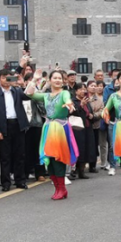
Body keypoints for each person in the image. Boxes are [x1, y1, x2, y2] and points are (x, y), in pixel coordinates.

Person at [27, 70, 77, 200]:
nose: (57, 80)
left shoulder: (64, 93)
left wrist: (69, 104)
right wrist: (34, 79)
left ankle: (62, 189)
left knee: (58, 158)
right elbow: (28, 93)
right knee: (49, 159)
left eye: (60, 78)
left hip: (60, 129)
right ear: (50, 80)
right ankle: (58, 189)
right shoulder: (46, 95)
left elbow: (67, 99)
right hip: (48, 128)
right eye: (55, 78)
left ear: (63, 81)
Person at [0, 71, 30, 192]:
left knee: (20, 155)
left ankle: (20, 180)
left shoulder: (17, 91)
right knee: (5, 157)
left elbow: (28, 96)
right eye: (3, 78)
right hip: (4, 126)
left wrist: (22, 85)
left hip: (18, 125)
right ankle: (5, 182)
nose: (6, 80)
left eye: (8, 77)